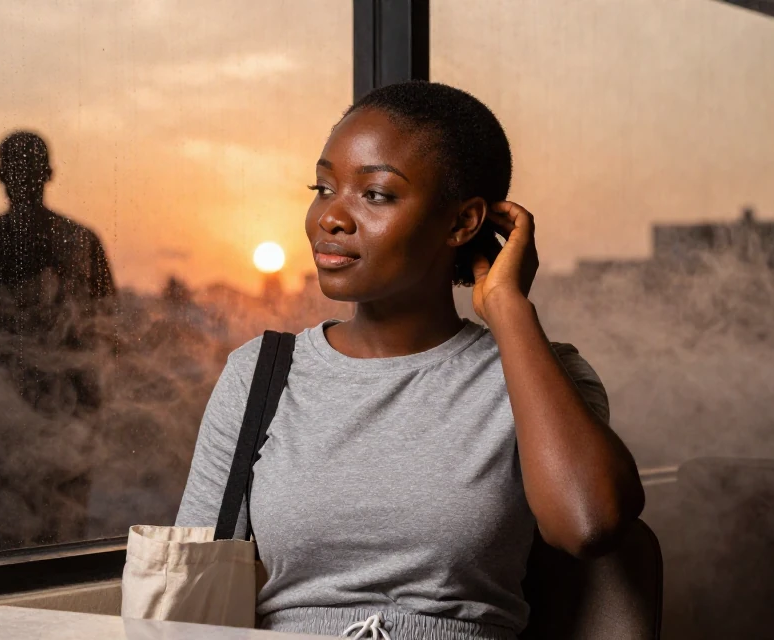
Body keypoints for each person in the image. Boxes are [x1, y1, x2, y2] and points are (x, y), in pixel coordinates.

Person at [176, 82, 644, 639]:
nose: (331, 217)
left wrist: (508, 308)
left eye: (374, 194)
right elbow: (189, 593)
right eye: (323, 187)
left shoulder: (540, 372)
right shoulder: (261, 374)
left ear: (461, 224)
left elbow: (590, 525)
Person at [0, 131, 115, 551]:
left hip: (1, 421)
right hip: (55, 417)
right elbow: (104, 341)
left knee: (0, 553)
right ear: (49, 174)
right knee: (59, 551)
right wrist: (96, 414)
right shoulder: (80, 241)